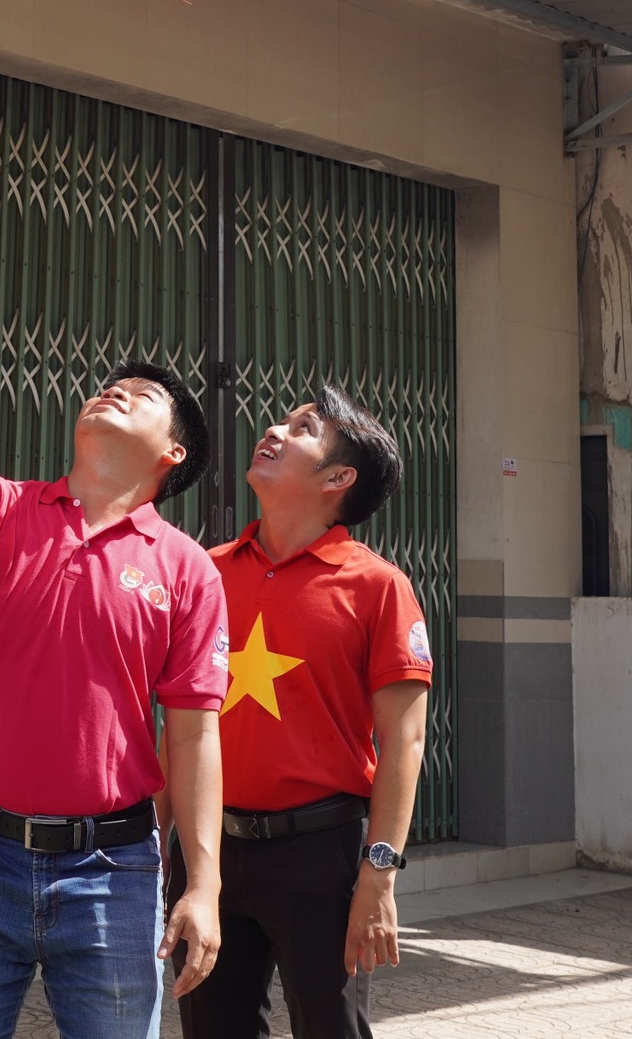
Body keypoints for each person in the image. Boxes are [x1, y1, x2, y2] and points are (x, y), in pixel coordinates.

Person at [0, 354, 230, 1039]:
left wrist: (203, 884)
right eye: (110, 385)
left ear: (174, 451)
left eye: (141, 395)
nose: (114, 391)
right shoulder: (4, 507)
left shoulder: (186, 569)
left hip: (114, 871)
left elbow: (195, 734)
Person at [172, 388, 430, 1039]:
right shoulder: (207, 572)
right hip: (211, 853)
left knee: (331, 1028)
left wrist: (379, 874)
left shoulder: (378, 587)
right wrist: (154, 855)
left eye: (304, 428)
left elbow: (405, 740)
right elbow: (179, 727)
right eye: (281, 421)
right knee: (211, 1027)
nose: (274, 430)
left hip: (322, 856)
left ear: (339, 477)